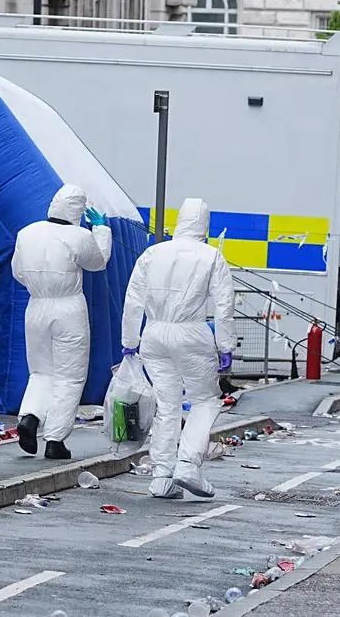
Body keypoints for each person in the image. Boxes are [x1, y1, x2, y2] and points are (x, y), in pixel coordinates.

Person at [120, 198, 235, 499]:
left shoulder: (152, 253)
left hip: (154, 333)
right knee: (205, 401)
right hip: (191, 332)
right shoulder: (211, 257)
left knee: (166, 405)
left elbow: (133, 300)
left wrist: (129, 342)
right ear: (205, 226)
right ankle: (188, 464)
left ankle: (161, 476)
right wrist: (225, 345)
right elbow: (224, 307)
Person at [12, 184, 112, 460]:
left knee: (41, 372)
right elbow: (98, 262)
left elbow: (18, 272)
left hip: (36, 307)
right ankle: (55, 439)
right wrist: (101, 230)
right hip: (68, 308)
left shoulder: (26, 233)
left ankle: (30, 417)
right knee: (69, 377)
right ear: (79, 211)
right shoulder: (78, 236)